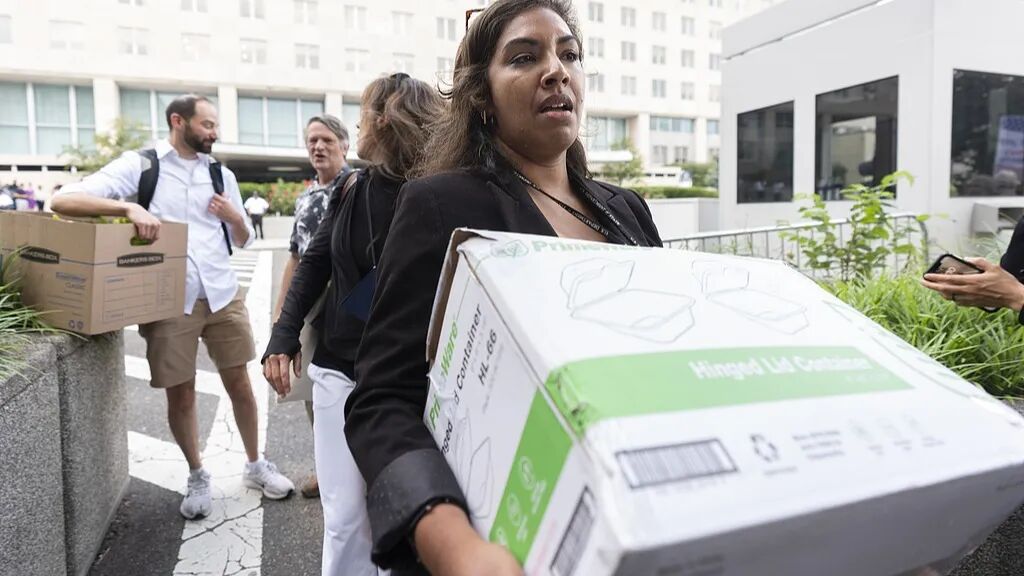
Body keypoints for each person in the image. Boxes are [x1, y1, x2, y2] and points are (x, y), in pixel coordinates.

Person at [344, 2, 662, 574]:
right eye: (524, 57)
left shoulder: (627, 209)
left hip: (636, 517)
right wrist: (455, 547)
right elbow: (381, 401)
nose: (556, 71)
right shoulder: (441, 205)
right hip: (508, 533)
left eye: (569, 54)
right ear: (482, 98)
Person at [51, 94, 294, 520]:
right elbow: (63, 200)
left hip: (222, 294)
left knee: (241, 384)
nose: (214, 132)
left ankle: (256, 464)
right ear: (178, 121)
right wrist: (128, 206)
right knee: (180, 392)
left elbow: (243, 240)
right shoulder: (142, 166)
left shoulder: (220, 173)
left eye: (215, 125)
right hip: (167, 300)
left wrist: (234, 217)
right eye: (207, 124)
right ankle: (197, 474)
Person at [262, 73, 444, 576]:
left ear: (385, 120)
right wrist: (283, 333)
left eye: (363, 114)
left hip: (409, 384)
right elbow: (315, 261)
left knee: (402, 516)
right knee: (344, 518)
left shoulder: (440, 195)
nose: (357, 125)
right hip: (339, 372)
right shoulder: (351, 187)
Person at [272, 113, 353, 499]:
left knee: (346, 385)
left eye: (327, 140)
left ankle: (354, 465)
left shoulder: (356, 186)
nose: (318, 147)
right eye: (312, 141)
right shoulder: (305, 197)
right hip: (309, 302)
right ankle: (327, 465)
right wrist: (281, 314)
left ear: (344, 146)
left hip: (345, 302)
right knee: (311, 386)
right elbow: (295, 257)